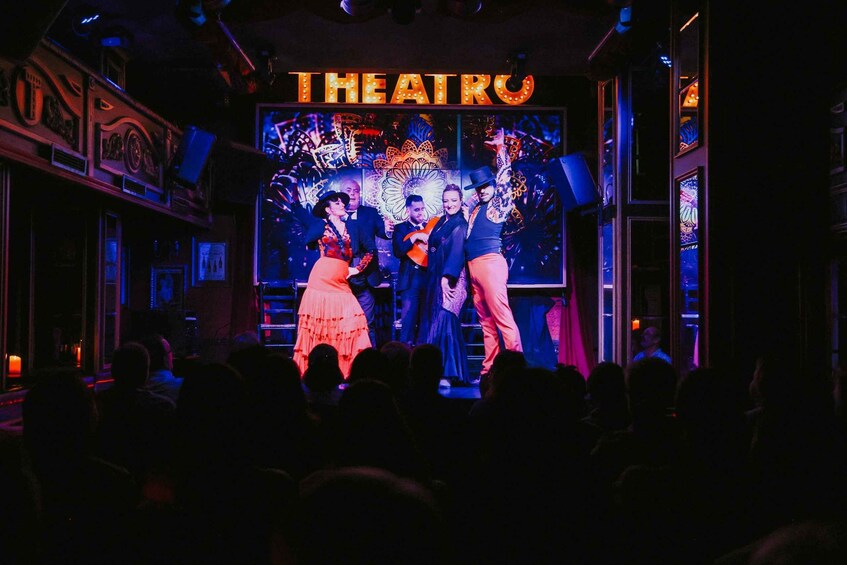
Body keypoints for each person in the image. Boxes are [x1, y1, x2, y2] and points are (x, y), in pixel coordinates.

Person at [292, 187, 373, 377]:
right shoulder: (320, 224)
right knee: (320, 325)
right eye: (337, 202)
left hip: (341, 283)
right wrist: (294, 190)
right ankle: (317, 371)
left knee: (353, 323)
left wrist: (357, 268)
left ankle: (347, 371)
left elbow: (371, 249)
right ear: (328, 209)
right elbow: (300, 212)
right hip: (321, 280)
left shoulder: (353, 226)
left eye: (342, 202)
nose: (342, 204)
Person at [464, 128, 523, 379]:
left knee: (502, 317)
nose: (482, 191)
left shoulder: (498, 205)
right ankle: (489, 369)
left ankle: (516, 367)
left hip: (490, 264)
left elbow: (505, 178)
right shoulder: (477, 208)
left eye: (485, 186)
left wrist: (501, 149)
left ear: (492, 185)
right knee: (486, 322)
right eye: (479, 188)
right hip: (473, 267)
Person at [420, 184, 470, 383]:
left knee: (446, 319)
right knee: (437, 322)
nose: (449, 204)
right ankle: (438, 372)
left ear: (461, 201)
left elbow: (457, 252)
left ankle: (449, 373)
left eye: (453, 200)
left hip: (452, 279)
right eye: (446, 201)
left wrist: (446, 278)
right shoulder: (442, 221)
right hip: (437, 277)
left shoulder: (460, 224)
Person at [339, 177, 393, 348]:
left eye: (356, 191)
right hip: (341, 279)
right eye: (348, 190)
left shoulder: (370, 213)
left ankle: (370, 356)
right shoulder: (335, 216)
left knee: (367, 321)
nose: (353, 194)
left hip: (366, 277)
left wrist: (387, 230)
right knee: (342, 321)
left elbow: (383, 232)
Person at [392, 194, 429, 347]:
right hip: (409, 282)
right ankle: (404, 357)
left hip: (427, 281)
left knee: (425, 325)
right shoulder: (400, 228)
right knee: (407, 325)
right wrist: (414, 237)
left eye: (422, 209)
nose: (420, 213)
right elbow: (398, 251)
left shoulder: (430, 228)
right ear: (408, 210)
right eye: (416, 210)